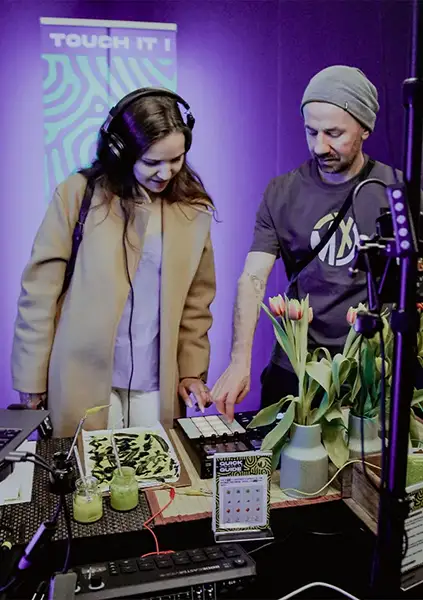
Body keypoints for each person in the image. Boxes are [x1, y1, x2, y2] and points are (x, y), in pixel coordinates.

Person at [12, 88, 216, 437]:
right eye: (152, 162)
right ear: (120, 151)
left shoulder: (192, 208)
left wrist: (191, 371)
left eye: (176, 159)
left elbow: (197, 303)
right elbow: (40, 293)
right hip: (83, 375)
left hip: (155, 380)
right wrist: (31, 377)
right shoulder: (77, 194)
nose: (165, 173)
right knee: (87, 467)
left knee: (154, 467)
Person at [212, 65, 399, 420]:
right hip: (297, 369)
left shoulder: (396, 192)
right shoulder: (281, 192)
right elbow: (253, 279)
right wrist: (238, 361)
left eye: (334, 133)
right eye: (311, 132)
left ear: (365, 128)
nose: (319, 146)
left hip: (372, 370)